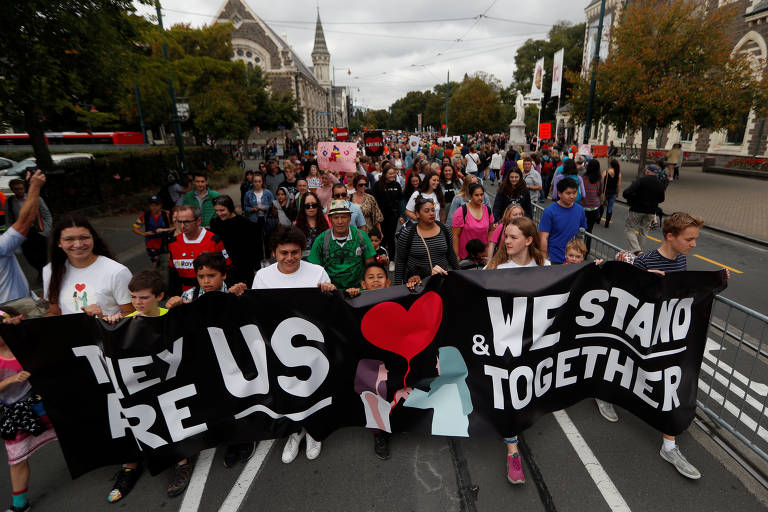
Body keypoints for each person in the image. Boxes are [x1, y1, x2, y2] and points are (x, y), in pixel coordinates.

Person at [620, 212, 723, 480]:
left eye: (695, 239)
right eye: (689, 239)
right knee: (628, 370)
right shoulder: (647, 261)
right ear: (670, 236)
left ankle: (669, 445)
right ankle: (605, 393)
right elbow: (626, 294)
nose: (694, 244)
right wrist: (644, 280)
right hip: (643, 337)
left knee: (671, 384)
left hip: (670, 339)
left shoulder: (681, 261)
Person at [252, 226, 335, 463]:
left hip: (311, 346)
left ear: (302, 251)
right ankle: (294, 432)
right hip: (277, 348)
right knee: (286, 391)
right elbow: (256, 312)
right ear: (274, 253)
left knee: (314, 390)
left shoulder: (317, 272)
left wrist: (329, 292)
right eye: (284, 252)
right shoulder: (262, 276)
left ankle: (314, 432)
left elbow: (329, 310)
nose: (290, 258)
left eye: (295, 252)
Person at [0, 307, 58, 512]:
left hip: (44, 402)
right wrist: (11, 380)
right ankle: (19, 505)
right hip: (17, 412)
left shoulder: (24, 341)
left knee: (77, 428)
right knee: (17, 459)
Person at [43, 215, 133, 317]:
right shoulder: (50, 271)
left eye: (84, 238)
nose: (78, 244)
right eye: (69, 239)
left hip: (107, 333)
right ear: (59, 243)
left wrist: (102, 318)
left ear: (93, 238)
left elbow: (131, 314)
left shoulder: (117, 271)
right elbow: (55, 313)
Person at [308, 200, 376, 291]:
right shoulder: (321, 240)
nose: (340, 221)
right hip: (332, 291)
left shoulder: (361, 236)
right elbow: (314, 270)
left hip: (359, 290)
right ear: (330, 219)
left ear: (350, 218)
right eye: (336, 217)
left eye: (344, 217)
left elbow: (371, 266)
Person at [0, 171, 46, 304]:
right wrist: (35, 187)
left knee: (41, 255)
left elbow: (43, 215)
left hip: (34, 234)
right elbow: (25, 220)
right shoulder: (2, 246)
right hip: (16, 307)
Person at [167, 206, 231, 295]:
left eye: (186, 222)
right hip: (185, 297)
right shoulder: (173, 243)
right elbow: (173, 275)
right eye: (179, 222)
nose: (182, 226)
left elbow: (227, 269)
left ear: (198, 221)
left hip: (212, 294)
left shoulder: (213, 240)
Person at [394, 197, 458, 285]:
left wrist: (459, 275)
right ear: (417, 214)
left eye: (433, 210)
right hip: (417, 284)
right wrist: (397, 287)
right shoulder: (407, 234)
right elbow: (400, 262)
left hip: (441, 281)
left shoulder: (445, 229)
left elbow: (451, 254)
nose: (431, 213)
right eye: (427, 211)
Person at [4, 178, 53, 276]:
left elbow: (46, 214)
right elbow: (8, 219)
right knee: (29, 256)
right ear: (12, 190)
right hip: (23, 233)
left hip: (37, 230)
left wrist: (46, 229)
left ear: (24, 188)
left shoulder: (35, 199)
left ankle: (44, 274)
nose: (19, 191)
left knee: (42, 255)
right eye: (16, 189)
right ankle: (41, 271)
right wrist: (12, 234)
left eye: (20, 188)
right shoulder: (10, 202)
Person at [210, 195, 259, 286]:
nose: (219, 213)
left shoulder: (245, 223)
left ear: (230, 208)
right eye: (216, 210)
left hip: (244, 266)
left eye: (222, 210)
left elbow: (254, 246)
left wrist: (256, 268)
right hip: (225, 267)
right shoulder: (215, 223)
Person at [538, 179, 587, 264]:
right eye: (568, 193)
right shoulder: (549, 212)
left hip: (572, 259)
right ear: (559, 194)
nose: (572, 196)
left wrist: (580, 254)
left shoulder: (580, 210)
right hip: (554, 259)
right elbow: (543, 237)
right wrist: (544, 259)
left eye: (574, 192)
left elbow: (581, 234)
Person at [622, 164, 665, 253]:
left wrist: (633, 199)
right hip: (651, 211)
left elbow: (626, 192)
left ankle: (636, 250)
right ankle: (639, 251)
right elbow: (662, 199)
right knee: (644, 231)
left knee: (629, 228)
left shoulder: (641, 180)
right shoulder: (660, 184)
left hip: (637, 208)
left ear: (647, 171)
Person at [486, 217, 550, 270]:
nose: (507, 241)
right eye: (506, 236)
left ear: (528, 241)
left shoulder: (544, 266)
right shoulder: (494, 268)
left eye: (513, 237)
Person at [451, 184, 494, 261]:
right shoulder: (461, 211)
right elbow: (455, 235)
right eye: (476, 195)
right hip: (465, 256)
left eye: (481, 194)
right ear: (470, 196)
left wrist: (488, 247)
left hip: (482, 255)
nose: (480, 197)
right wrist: (456, 255)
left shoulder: (488, 210)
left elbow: (491, 230)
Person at [131, 196, 174, 269]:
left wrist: (164, 230)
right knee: (155, 261)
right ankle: (155, 276)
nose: (154, 207)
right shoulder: (145, 216)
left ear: (161, 205)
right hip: (151, 243)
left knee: (166, 263)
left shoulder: (167, 214)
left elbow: (176, 227)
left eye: (156, 205)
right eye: (151, 205)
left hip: (165, 242)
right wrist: (144, 234)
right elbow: (134, 228)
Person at [372, 166, 402, 264]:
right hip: (381, 216)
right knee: (381, 237)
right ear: (384, 174)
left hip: (393, 216)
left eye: (394, 173)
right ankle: (380, 258)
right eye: (390, 173)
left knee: (391, 237)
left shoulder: (397, 185)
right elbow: (374, 202)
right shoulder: (377, 185)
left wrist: (399, 214)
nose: (392, 175)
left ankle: (392, 260)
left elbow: (400, 200)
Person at [243, 173, 275, 265]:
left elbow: (273, 205)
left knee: (267, 239)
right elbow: (245, 207)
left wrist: (266, 207)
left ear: (262, 182)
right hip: (254, 219)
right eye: (255, 181)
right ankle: (260, 260)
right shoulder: (248, 194)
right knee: (256, 241)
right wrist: (252, 209)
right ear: (252, 182)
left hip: (265, 219)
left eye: (259, 181)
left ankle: (268, 259)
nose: (257, 183)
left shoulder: (267, 193)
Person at [295, 191, 330, 259]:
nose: (311, 208)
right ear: (303, 207)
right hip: (304, 262)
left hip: (323, 261)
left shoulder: (326, 221)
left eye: (314, 205)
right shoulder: (297, 224)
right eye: (307, 206)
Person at [581, 159, 604, 254]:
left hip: (582, 206)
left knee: (579, 230)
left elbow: (581, 192)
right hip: (594, 207)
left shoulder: (583, 178)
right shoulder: (599, 179)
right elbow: (600, 192)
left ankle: (579, 250)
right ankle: (586, 252)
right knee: (589, 231)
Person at [603, 159, 622, 228]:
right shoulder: (618, 173)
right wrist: (617, 193)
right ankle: (607, 223)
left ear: (611, 165)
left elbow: (602, 182)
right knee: (610, 208)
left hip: (605, 192)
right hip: (613, 193)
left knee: (602, 205)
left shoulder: (606, 172)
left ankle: (598, 219)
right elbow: (619, 185)